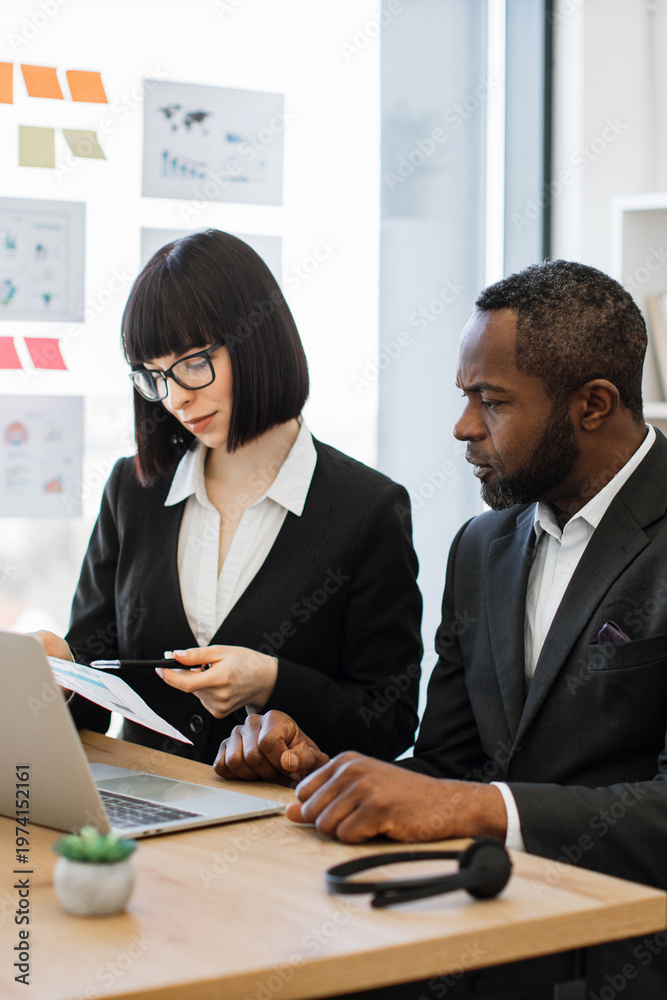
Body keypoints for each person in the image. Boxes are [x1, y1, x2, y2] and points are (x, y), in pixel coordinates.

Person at [214, 260, 667, 999]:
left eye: (489, 402)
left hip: (624, 960)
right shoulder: (480, 546)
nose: (462, 428)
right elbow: (447, 766)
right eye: (464, 398)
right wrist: (326, 774)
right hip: (475, 935)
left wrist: (473, 808)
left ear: (592, 405)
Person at [38, 229, 422, 764]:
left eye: (195, 363)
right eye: (154, 376)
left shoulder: (366, 509)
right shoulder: (135, 490)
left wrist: (273, 683)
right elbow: (97, 684)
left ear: (258, 338)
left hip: (279, 826)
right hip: (142, 807)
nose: (176, 397)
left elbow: (391, 722)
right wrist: (60, 672)